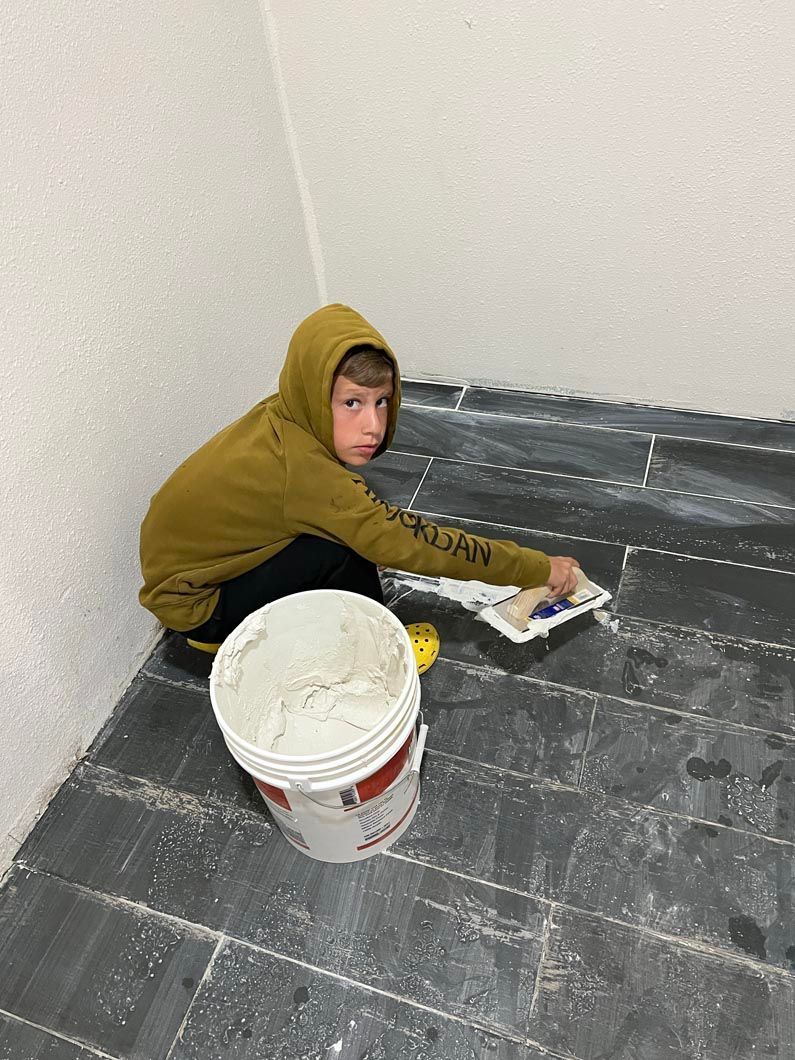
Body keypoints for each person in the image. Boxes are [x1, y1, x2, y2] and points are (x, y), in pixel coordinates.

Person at [138, 305, 579, 668]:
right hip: (200, 605)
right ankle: (378, 651)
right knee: (351, 546)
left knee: (354, 530)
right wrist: (536, 567)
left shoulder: (285, 415)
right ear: (316, 394)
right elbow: (422, 545)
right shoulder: (308, 477)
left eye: (381, 401)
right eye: (352, 402)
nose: (373, 425)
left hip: (192, 576)